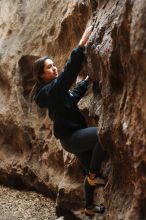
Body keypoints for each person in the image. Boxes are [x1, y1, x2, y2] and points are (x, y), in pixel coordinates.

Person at [30, 26, 107, 217]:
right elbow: (67, 75)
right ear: (41, 76)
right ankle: (94, 175)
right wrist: (80, 45)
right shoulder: (49, 91)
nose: (54, 67)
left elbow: (71, 97)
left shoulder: (54, 92)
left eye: (54, 64)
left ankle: (89, 207)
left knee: (88, 172)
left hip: (72, 138)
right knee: (101, 135)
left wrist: (85, 83)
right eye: (49, 67)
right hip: (72, 138)